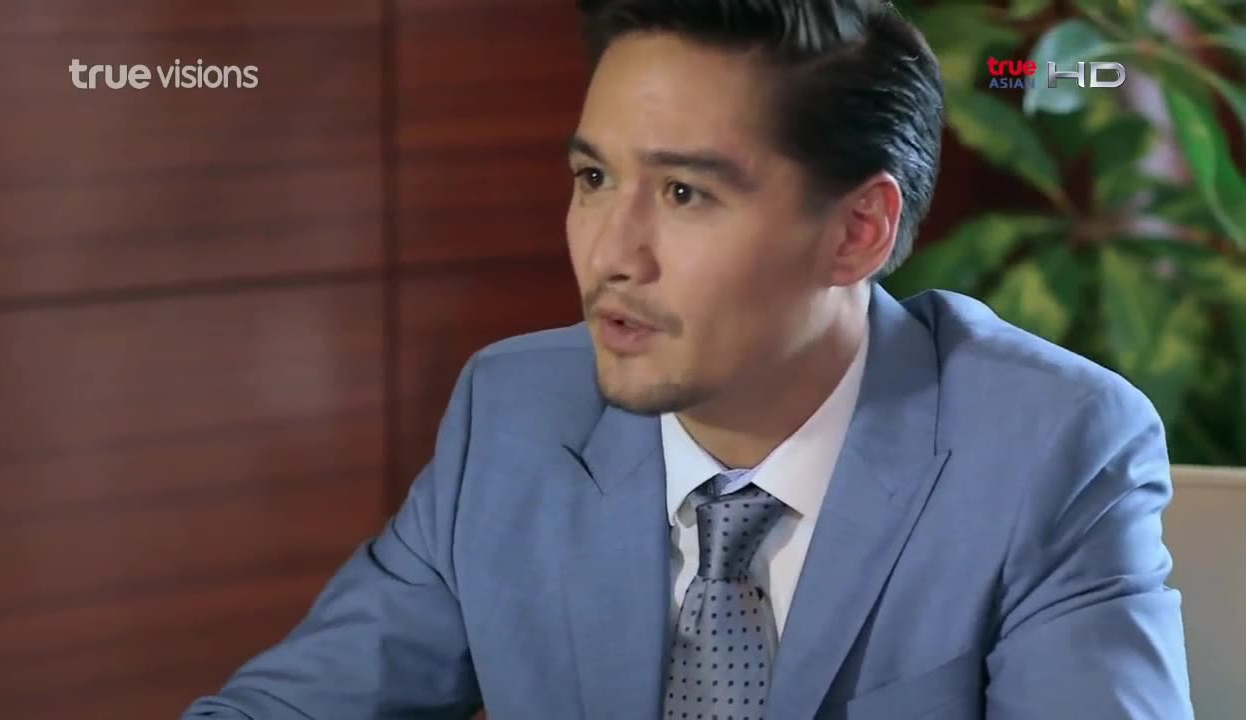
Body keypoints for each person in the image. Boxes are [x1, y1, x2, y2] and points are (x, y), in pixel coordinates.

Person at [182, 0, 1194, 718]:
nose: (610, 255)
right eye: (592, 178)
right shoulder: (515, 413)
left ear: (857, 232)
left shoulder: (1044, 449)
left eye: (683, 194)